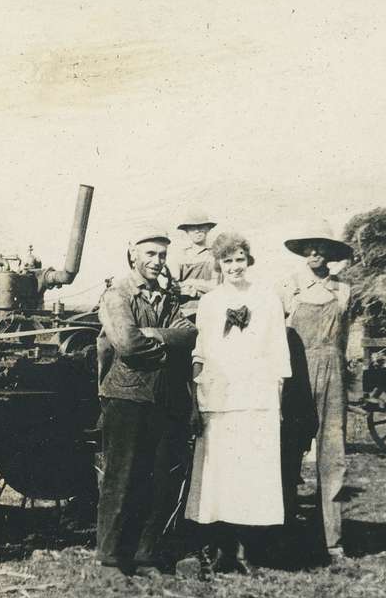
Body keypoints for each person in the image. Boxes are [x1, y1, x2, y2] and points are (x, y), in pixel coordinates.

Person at [184, 233, 291, 574]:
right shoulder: (211, 302)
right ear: (218, 264)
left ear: (249, 260)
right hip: (219, 397)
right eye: (227, 260)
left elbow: (278, 350)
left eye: (240, 259)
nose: (234, 266)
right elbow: (200, 350)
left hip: (256, 398)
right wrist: (198, 394)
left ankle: (248, 552)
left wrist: (276, 397)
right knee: (220, 474)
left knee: (251, 474)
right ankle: (220, 549)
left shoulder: (267, 299)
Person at [96, 226, 197, 576]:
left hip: (163, 398)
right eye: (150, 254)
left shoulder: (165, 297)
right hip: (126, 396)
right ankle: (111, 559)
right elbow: (126, 342)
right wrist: (166, 348)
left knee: (158, 479)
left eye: (162, 255)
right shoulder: (117, 295)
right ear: (133, 255)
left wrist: (154, 334)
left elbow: (189, 332)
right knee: (122, 478)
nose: (157, 261)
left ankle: (144, 555)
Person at [279, 223, 353, 564]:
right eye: (308, 247)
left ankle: (331, 541)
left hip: (333, 374)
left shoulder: (344, 290)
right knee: (289, 452)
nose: (314, 254)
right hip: (296, 374)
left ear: (331, 254)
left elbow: (347, 337)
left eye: (320, 248)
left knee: (332, 455)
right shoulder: (289, 288)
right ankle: (283, 532)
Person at [172, 209, 220, 318]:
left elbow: (216, 287)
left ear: (208, 228)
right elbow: (174, 286)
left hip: (210, 310)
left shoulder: (215, 256)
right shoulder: (180, 256)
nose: (197, 231)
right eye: (192, 228)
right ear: (187, 231)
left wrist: (193, 290)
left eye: (201, 226)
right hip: (184, 311)